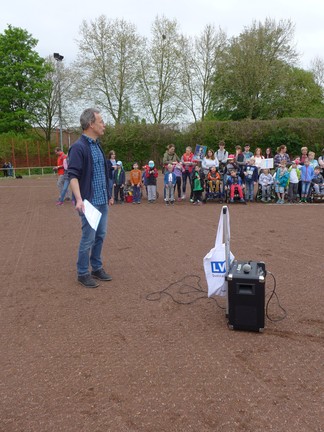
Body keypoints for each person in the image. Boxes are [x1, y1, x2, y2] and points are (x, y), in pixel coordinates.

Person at [68, 108, 114, 289]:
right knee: (88, 238)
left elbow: (103, 173)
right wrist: (79, 200)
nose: (104, 125)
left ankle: (96, 267)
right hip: (88, 202)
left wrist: (109, 195)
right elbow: (72, 176)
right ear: (90, 124)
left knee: (100, 235)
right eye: (101, 121)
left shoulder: (97, 145)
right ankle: (82, 273)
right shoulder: (78, 147)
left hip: (102, 200)